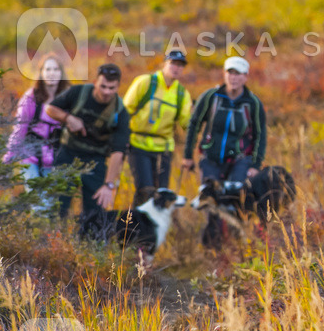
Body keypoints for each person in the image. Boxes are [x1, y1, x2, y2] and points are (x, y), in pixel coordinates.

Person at [44, 63, 130, 224]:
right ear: (95, 82)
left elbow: (118, 151)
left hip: (95, 161)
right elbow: (50, 108)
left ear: (118, 86)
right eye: (103, 86)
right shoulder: (79, 92)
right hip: (68, 154)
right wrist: (68, 118)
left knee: (94, 213)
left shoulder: (120, 112)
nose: (107, 92)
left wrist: (109, 185)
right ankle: (52, 242)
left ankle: (89, 245)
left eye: (112, 88)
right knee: (58, 206)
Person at [182, 56, 267, 185]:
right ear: (224, 74)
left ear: (245, 77)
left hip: (240, 161)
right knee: (209, 200)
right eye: (230, 73)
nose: (233, 77)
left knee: (234, 199)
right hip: (210, 159)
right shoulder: (211, 96)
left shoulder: (252, 103)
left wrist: (255, 166)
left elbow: (260, 135)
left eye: (237, 73)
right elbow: (194, 124)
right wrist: (188, 156)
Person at [3, 55, 70, 215]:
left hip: (55, 158)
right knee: (39, 202)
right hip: (30, 155)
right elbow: (20, 128)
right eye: (48, 69)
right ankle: (38, 235)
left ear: (61, 73)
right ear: (41, 73)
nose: (52, 73)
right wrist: (10, 155)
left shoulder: (68, 98)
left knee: (51, 202)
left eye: (55, 69)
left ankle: (45, 233)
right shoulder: (31, 98)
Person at [123, 49, 193, 193]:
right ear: (164, 63)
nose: (177, 68)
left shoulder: (181, 93)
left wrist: (196, 114)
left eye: (181, 65)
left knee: (161, 193)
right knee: (145, 190)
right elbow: (125, 111)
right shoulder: (145, 82)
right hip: (138, 145)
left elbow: (186, 124)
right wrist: (121, 139)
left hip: (164, 149)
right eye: (173, 63)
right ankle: (136, 216)